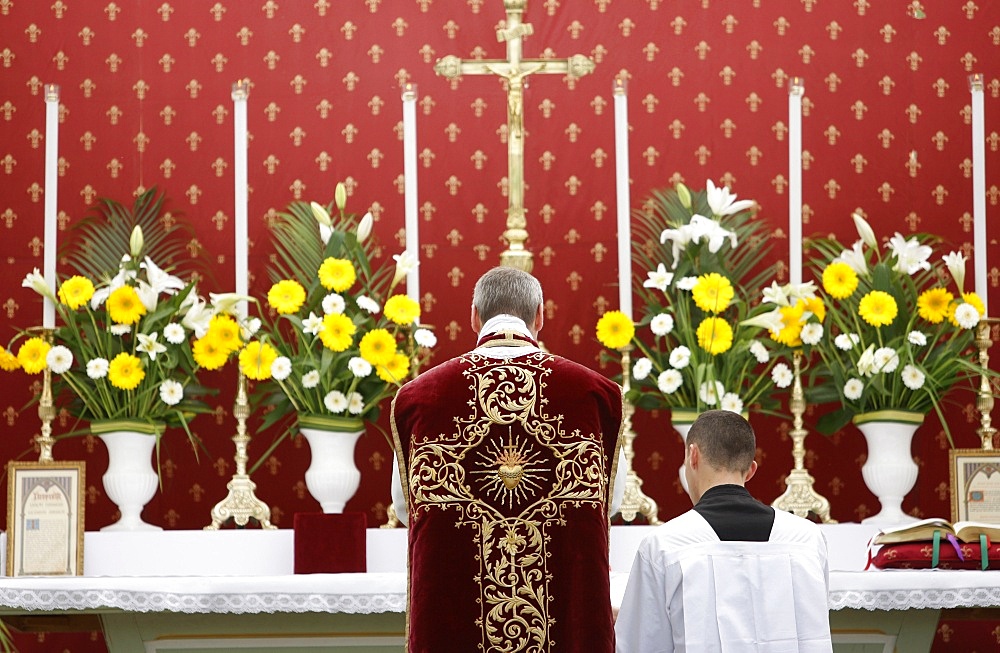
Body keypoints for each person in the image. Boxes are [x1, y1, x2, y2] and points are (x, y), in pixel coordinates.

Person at [390, 266, 626, 652]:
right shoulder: (594, 395)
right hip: (566, 608)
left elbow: (407, 506)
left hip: (454, 610)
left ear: (473, 317)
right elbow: (608, 502)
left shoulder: (420, 398)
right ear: (540, 316)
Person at [615, 410, 832, 653]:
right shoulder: (806, 539)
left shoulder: (664, 545)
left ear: (693, 456)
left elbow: (638, 646)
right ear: (750, 470)